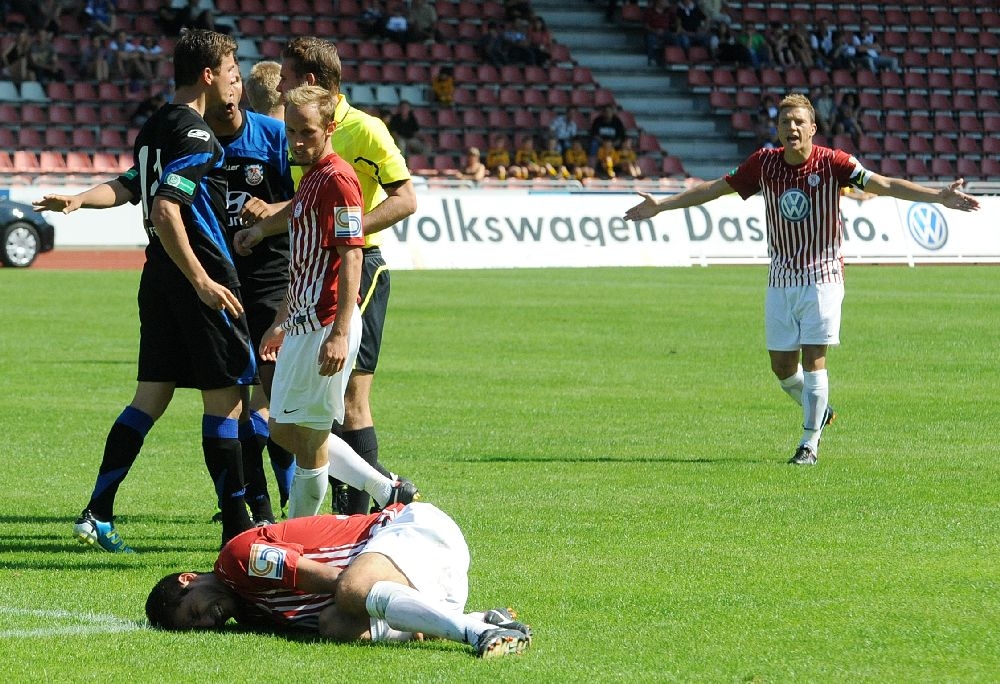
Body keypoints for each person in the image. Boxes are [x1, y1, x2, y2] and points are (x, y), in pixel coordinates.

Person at [623, 92, 980, 465]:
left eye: (798, 122)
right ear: (776, 129)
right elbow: (714, 189)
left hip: (823, 275)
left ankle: (809, 442)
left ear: (813, 127)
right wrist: (661, 206)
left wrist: (938, 196)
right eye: (784, 123)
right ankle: (820, 411)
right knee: (781, 368)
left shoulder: (834, 162)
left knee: (814, 359)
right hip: (780, 277)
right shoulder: (763, 164)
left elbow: (885, 184)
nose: (791, 128)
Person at [33, 29, 256, 550]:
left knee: (150, 397)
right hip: (198, 276)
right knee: (226, 402)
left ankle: (97, 512)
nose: (234, 81)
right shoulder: (200, 136)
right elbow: (163, 206)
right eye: (230, 70)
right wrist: (202, 280)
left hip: (157, 276)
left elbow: (134, 184)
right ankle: (236, 529)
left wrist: (79, 200)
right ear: (208, 74)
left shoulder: (157, 124)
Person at [239, 38, 419, 515]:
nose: (280, 87)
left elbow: (400, 202)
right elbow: (306, 208)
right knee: (286, 421)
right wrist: (265, 226)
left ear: (311, 85)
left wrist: (348, 232)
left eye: (288, 78)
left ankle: (353, 517)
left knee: (345, 405)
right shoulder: (311, 158)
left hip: (350, 277)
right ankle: (379, 491)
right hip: (308, 290)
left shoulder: (360, 136)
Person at [145, 502, 532, 659]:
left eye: (194, 612)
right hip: (426, 580)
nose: (209, 622)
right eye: (199, 628)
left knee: (348, 592)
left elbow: (336, 581)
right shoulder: (250, 612)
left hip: (415, 532)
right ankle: (482, 618)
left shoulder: (236, 560)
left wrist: (355, 593)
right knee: (334, 625)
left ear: (188, 579)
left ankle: (476, 634)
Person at [204, 66, 296, 525]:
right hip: (225, 283)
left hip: (269, 281)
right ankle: (257, 509)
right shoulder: (198, 138)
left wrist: (267, 219)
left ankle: (288, 499)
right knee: (242, 404)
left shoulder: (277, 138)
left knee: (275, 401)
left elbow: (305, 201)